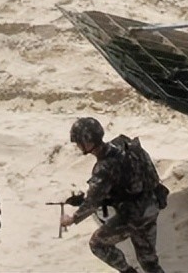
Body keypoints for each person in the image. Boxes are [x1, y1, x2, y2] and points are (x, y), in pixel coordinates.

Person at [60, 117, 166, 273]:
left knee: (97, 244)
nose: (77, 146)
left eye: (78, 142)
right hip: (151, 205)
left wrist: (72, 219)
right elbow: (132, 182)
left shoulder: (104, 167)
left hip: (133, 216)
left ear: (87, 142)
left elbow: (92, 203)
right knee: (149, 261)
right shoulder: (124, 145)